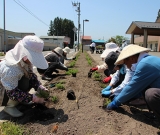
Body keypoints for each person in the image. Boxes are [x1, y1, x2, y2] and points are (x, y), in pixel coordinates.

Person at [106, 45, 160, 119]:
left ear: (132, 58)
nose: (127, 66)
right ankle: (155, 114)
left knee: (151, 94)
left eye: (126, 63)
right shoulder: (147, 60)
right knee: (144, 88)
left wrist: (116, 101)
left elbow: (132, 86)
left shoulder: (145, 64)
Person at [0, 35, 49, 117]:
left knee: (26, 80)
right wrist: (32, 97)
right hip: (4, 92)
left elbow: (32, 77)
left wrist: (39, 87)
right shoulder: (10, 68)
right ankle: (9, 106)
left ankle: (20, 101)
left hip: (11, 89)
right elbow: (12, 92)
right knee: (23, 82)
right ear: (23, 53)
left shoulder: (25, 62)